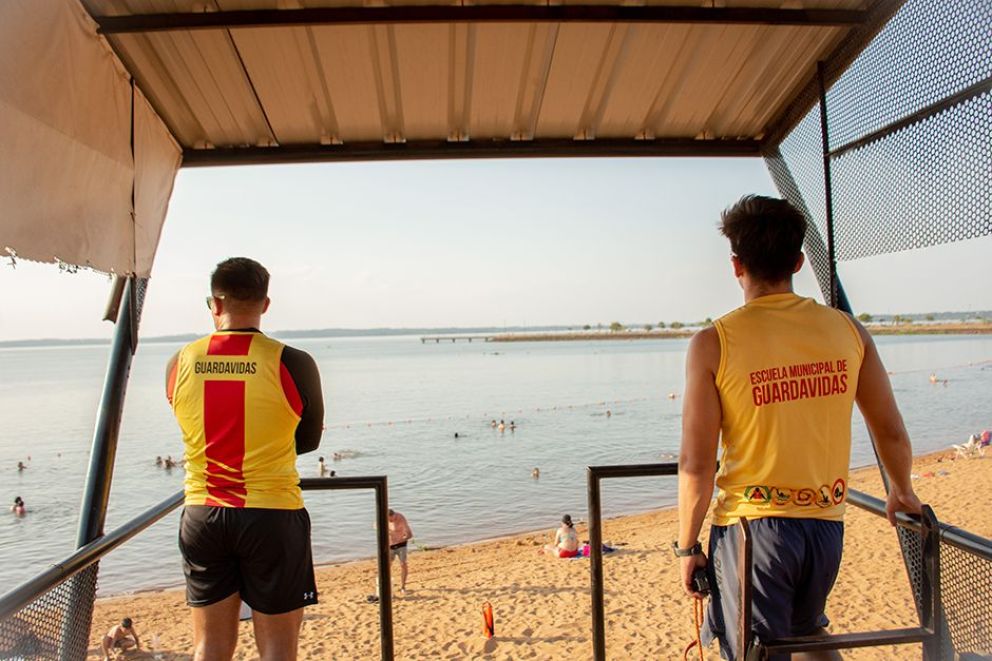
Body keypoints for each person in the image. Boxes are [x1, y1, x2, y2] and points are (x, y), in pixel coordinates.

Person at [677, 196, 921, 661]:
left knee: (756, 649)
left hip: (754, 532)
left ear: (736, 265)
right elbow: (889, 430)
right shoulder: (847, 331)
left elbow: (695, 463)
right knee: (807, 631)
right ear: (798, 261)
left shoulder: (713, 343)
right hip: (826, 525)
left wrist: (686, 545)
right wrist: (902, 490)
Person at [166, 258, 324, 661]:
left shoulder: (180, 362)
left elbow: (194, 428)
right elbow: (306, 441)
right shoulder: (293, 361)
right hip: (272, 513)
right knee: (277, 650)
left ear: (214, 304)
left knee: (210, 647)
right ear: (265, 304)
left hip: (203, 510)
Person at [387, 508, 414, 594]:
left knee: (403, 564)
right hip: (390, 545)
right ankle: (386, 586)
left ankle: (403, 587)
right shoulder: (383, 519)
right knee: (388, 565)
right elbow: (376, 527)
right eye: (389, 520)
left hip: (401, 544)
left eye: (392, 519)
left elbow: (410, 534)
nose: (391, 521)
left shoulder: (400, 518)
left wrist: (404, 538)